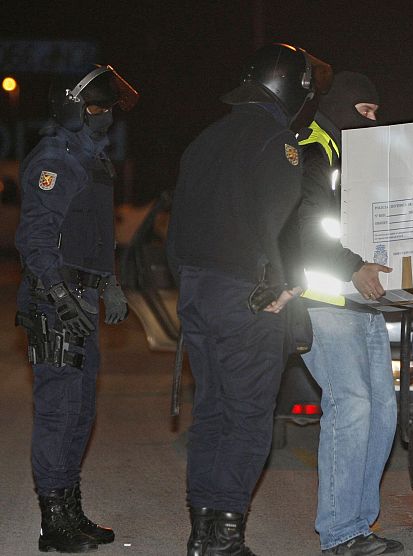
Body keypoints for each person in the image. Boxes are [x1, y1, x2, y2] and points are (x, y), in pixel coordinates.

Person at [166, 43, 331, 556]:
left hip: (198, 292)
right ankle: (227, 538)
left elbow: (177, 230)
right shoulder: (276, 140)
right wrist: (284, 287)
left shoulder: (204, 139)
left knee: (212, 412)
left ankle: (202, 532)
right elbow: (280, 224)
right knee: (248, 417)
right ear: (289, 89)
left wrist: (192, 283)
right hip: (248, 297)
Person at [14, 65, 138, 553]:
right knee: (59, 413)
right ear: (71, 108)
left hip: (82, 299)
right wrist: (61, 297)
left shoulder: (92, 159)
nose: (105, 116)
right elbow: (36, 238)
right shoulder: (55, 158)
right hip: (55, 303)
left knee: (81, 411)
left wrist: (109, 283)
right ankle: (53, 523)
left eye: (107, 108)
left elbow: (92, 237)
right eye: (95, 108)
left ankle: (71, 510)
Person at [296, 71, 403, 555]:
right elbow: (305, 228)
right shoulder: (312, 150)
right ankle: (339, 533)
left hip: (363, 299)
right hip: (325, 299)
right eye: (365, 111)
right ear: (340, 106)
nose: (373, 120)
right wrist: (354, 266)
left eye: (376, 113)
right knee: (353, 404)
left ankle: (359, 526)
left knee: (383, 410)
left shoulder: (354, 155)